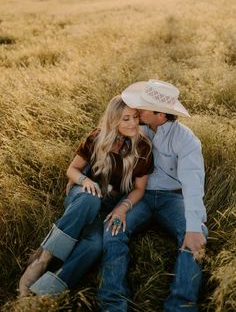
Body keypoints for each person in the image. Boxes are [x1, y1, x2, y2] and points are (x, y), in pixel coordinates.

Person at [18, 95, 153, 297]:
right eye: (126, 118)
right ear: (113, 119)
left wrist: (122, 207)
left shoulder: (143, 147)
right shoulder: (97, 137)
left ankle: (48, 291)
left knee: (95, 245)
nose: (133, 123)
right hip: (81, 196)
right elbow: (72, 170)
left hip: (107, 207)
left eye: (135, 117)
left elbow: (139, 189)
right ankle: (44, 258)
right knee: (90, 198)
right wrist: (85, 181)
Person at [98, 79, 207, 312]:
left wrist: (194, 226)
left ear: (161, 114)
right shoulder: (137, 128)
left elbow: (193, 185)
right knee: (113, 228)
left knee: (198, 235)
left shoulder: (186, 140)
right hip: (140, 196)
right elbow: (105, 136)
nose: (137, 110)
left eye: (143, 107)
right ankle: (113, 303)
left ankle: (181, 305)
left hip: (173, 199)